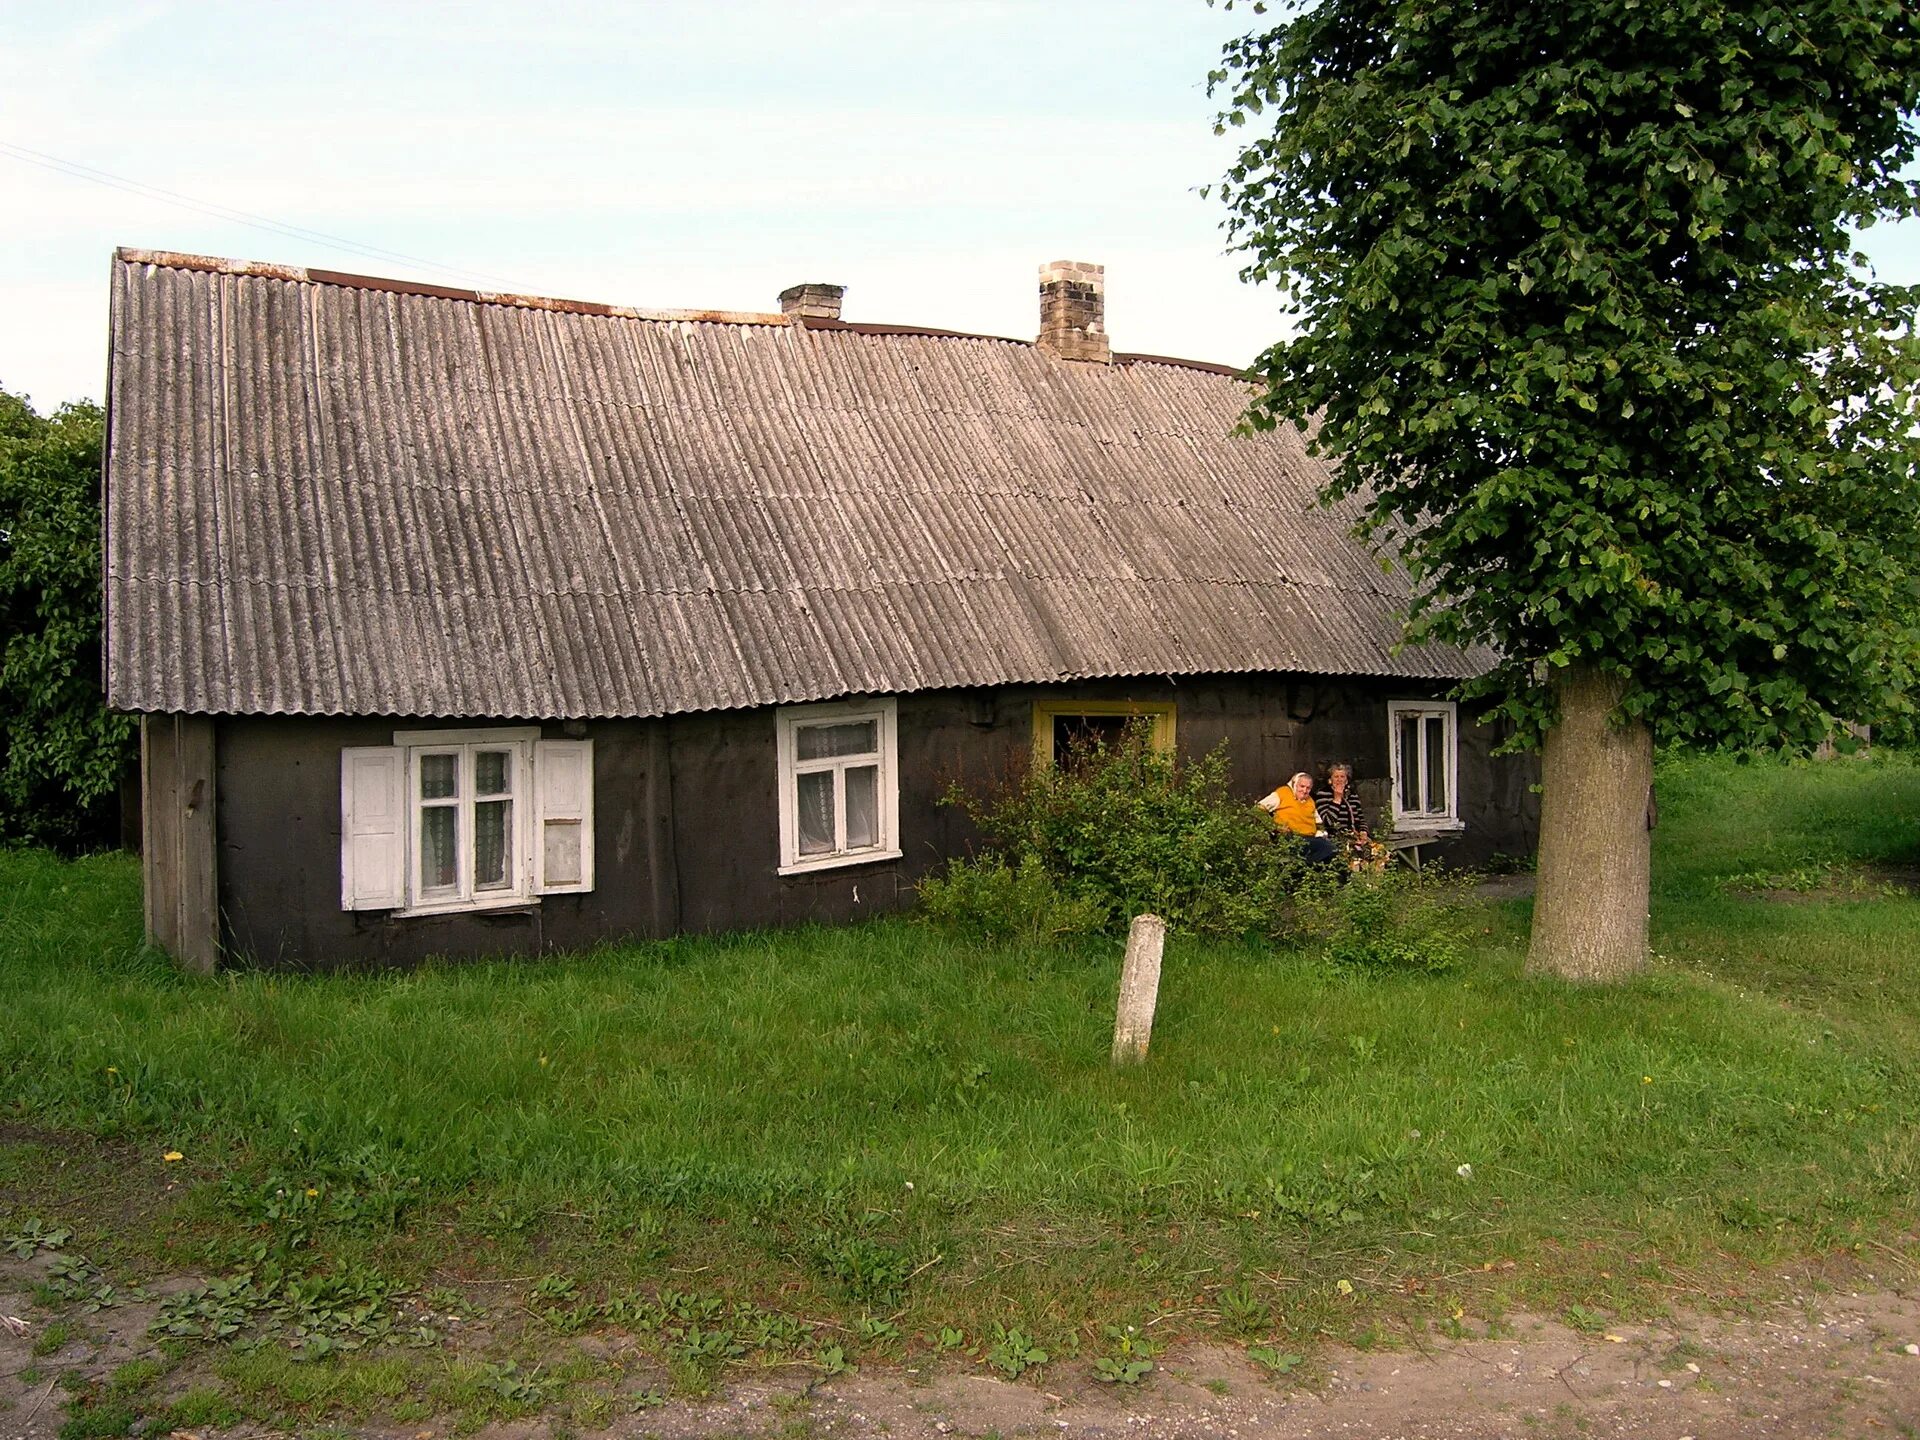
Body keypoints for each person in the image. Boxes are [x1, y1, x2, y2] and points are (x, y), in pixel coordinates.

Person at [1316, 763, 1386, 871]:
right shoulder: (1323, 795)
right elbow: (1328, 822)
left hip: (1356, 837)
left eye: (1342, 776)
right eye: (1336, 777)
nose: (1339, 780)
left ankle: (1374, 885)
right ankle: (1354, 883)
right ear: (1330, 780)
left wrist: (1363, 831)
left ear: (1347, 780)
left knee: (1379, 852)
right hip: (1336, 838)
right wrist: (1337, 799)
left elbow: (1360, 818)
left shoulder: (1352, 796)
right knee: (1354, 857)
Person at [1259, 771, 1336, 862]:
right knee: (1327, 847)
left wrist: (1320, 833)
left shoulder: (1310, 801)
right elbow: (1259, 809)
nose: (1304, 790)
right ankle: (1305, 863)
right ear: (1294, 784)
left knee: (1330, 848)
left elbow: (1319, 823)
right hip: (1289, 837)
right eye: (1302, 786)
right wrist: (1274, 826)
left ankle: (1305, 863)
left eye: (1308, 788)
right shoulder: (1283, 792)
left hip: (1309, 839)